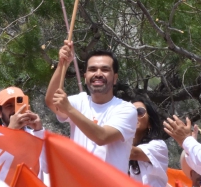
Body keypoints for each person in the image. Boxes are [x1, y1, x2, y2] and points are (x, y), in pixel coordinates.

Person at [45, 43, 137, 174]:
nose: (98, 74)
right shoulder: (79, 101)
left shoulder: (126, 109)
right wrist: (62, 64)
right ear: (85, 77)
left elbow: (102, 137)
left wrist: (69, 110)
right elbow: (51, 101)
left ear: (115, 78)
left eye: (105, 69)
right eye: (92, 69)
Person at [0, 86, 49, 185]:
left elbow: (48, 168)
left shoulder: (36, 135)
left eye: (19, 103)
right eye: (9, 106)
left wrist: (39, 131)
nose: (15, 110)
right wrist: (11, 132)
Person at [129, 96, 169, 187]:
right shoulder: (121, 150)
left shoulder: (158, 146)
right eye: (129, 113)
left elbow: (133, 153)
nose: (134, 115)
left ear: (150, 123)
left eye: (140, 112)